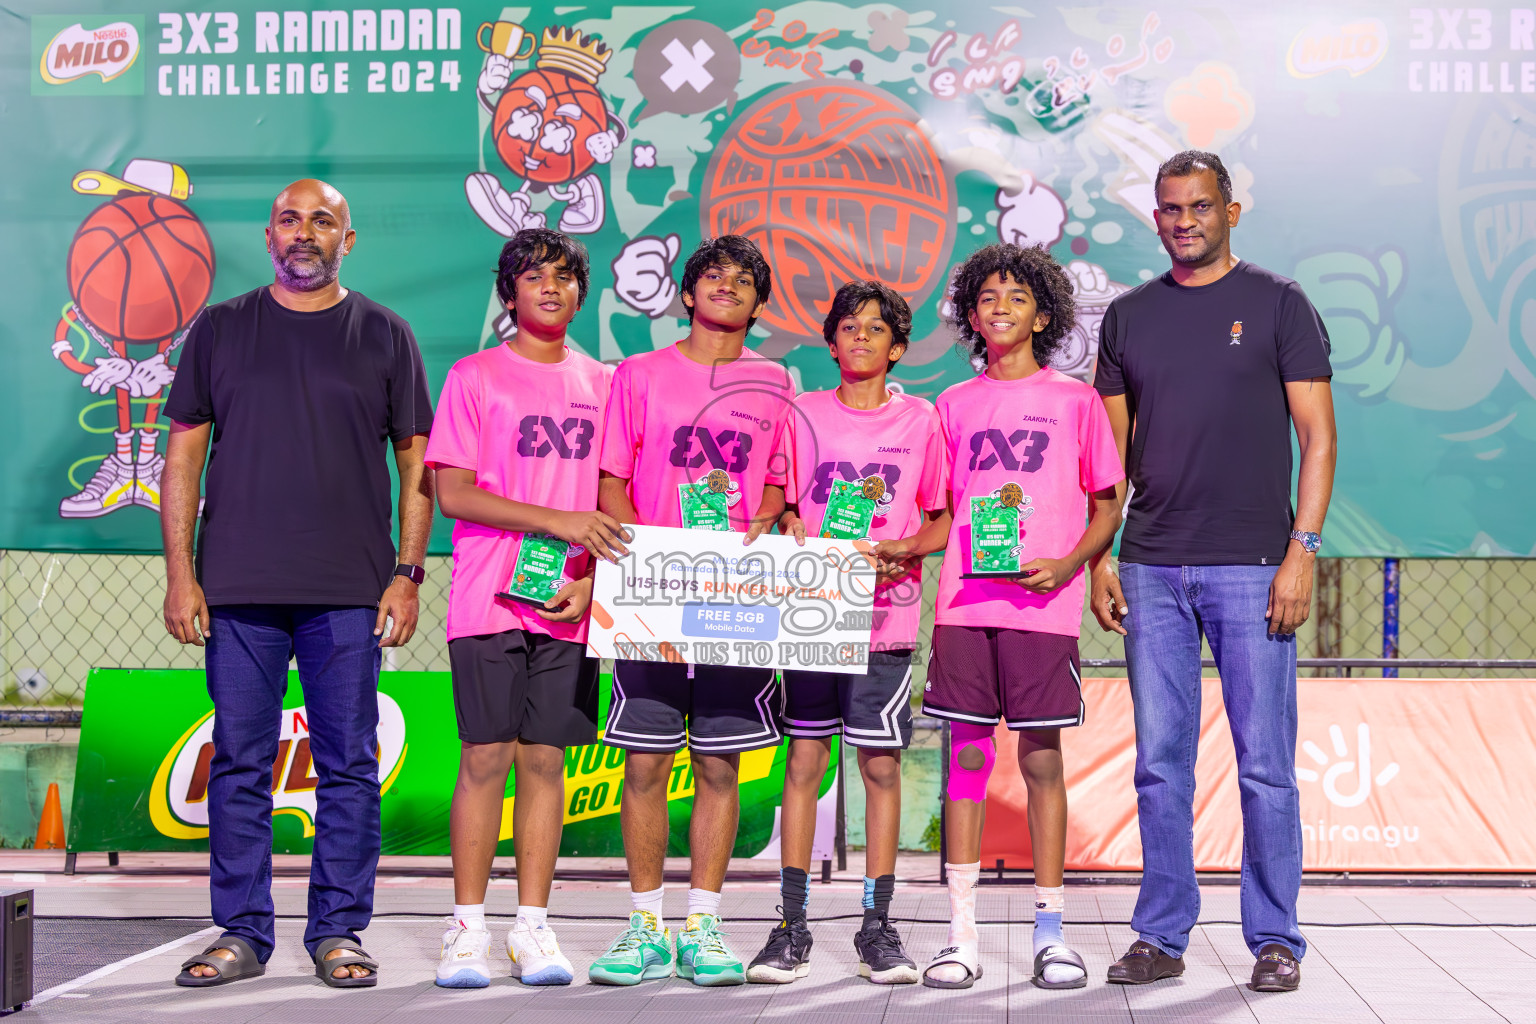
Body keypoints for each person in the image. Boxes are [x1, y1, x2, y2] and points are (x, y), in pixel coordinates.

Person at [161, 179, 435, 988]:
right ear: (269, 236)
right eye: (290, 219)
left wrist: (407, 575)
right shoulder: (219, 329)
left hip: (349, 593)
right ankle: (241, 932)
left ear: (349, 239)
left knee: (347, 764)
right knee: (240, 761)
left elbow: (416, 463)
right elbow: (183, 458)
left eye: (323, 221)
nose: (304, 233)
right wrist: (182, 576)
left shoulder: (387, 334)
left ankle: (338, 932)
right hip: (239, 591)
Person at [1091, 150, 1336, 993]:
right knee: (1160, 764)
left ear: (1232, 211)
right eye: (1169, 208)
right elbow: (1111, 461)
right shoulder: (1126, 318)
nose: (1183, 220)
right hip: (1152, 566)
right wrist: (1102, 558)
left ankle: (1276, 938)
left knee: (1264, 764)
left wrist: (1302, 552)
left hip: (1256, 565)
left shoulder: (1278, 303)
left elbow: (1320, 437)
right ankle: (1160, 935)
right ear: (1154, 217)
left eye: (1199, 206)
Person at [879, 243, 1123, 991]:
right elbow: (941, 516)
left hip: (1043, 610)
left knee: (1042, 761)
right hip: (964, 609)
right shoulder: (951, 406)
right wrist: (884, 551)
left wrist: (1073, 563)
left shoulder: (1076, 401)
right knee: (966, 764)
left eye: (1017, 296)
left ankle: (1052, 932)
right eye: (987, 297)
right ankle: (961, 934)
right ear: (971, 315)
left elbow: (1107, 502)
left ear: (1044, 314)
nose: (1001, 307)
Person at [424, 228, 629, 988]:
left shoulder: (605, 384)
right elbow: (453, 494)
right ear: (508, 295)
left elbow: (614, 500)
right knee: (485, 758)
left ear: (582, 292)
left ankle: (533, 929)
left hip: (569, 601)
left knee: (547, 762)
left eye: (565, 276)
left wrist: (592, 578)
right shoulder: (475, 376)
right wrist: (556, 522)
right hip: (487, 598)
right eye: (533, 276)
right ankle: (467, 929)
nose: (550, 286)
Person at [588, 235, 794, 987]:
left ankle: (703, 924)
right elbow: (612, 479)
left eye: (744, 282)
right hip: (651, 595)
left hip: (733, 598)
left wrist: (758, 527)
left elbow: (777, 486)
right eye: (714, 277)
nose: (728, 288)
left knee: (718, 763)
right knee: (643, 763)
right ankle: (643, 924)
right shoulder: (638, 375)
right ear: (686, 293)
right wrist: (644, 565)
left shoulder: (777, 380)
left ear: (759, 304)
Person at [744, 281, 946, 986]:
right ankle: (790, 926)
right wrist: (790, 522)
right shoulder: (800, 415)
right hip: (810, 622)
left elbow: (941, 520)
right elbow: (782, 504)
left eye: (876, 328)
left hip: (883, 623)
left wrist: (905, 548)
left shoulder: (922, 421)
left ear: (898, 347)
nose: (861, 336)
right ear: (830, 343)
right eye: (848, 327)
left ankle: (878, 926)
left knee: (881, 767)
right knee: (802, 766)